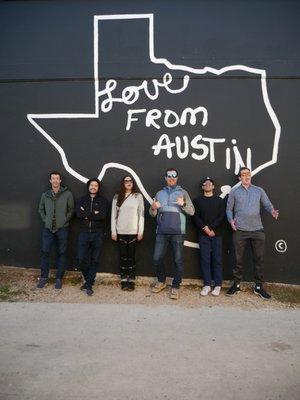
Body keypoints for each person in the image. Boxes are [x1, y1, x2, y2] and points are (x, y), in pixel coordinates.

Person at [226, 167, 279, 299]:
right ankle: (236, 285)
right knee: (238, 260)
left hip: (257, 230)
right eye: (243, 175)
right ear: (239, 178)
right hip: (240, 231)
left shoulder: (259, 190)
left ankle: (259, 287)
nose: (246, 176)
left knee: (259, 260)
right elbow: (228, 209)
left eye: (248, 174)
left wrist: (272, 210)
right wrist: (231, 221)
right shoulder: (234, 192)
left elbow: (267, 204)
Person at [150, 168, 195, 300]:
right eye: (169, 176)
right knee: (157, 258)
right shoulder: (159, 193)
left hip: (178, 233)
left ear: (177, 178)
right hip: (161, 232)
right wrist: (153, 208)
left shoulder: (183, 192)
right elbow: (152, 214)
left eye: (174, 176)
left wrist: (184, 204)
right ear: (165, 178)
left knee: (178, 260)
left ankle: (175, 286)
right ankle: (161, 281)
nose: (171, 178)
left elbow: (191, 211)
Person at [37, 171, 74, 289]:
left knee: (62, 253)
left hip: (62, 228)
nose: (55, 181)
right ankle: (43, 277)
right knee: (45, 252)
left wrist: (64, 221)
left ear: (60, 180)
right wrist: (46, 220)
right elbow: (41, 209)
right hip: (48, 229)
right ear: (50, 181)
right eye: (53, 179)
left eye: (57, 178)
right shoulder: (45, 195)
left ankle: (59, 278)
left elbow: (71, 210)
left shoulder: (67, 194)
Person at [76, 178, 108, 296]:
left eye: (96, 185)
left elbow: (102, 215)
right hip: (84, 233)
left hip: (97, 233)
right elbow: (79, 214)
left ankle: (89, 284)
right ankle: (88, 279)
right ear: (88, 186)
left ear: (98, 188)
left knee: (95, 260)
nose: (93, 187)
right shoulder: (81, 200)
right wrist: (93, 213)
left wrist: (87, 214)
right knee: (80, 258)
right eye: (91, 185)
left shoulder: (103, 201)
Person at [111, 175, 144, 291]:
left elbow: (141, 215)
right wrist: (113, 231)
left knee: (131, 256)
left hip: (133, 232)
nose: (128, 182)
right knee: (123, 256)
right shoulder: (117, 196)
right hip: (121, 231)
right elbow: (113, 216)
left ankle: (132, 279)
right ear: (123, 183)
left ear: (133, 183)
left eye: (130, 181)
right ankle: (124, 279)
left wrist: (140, 231)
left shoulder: (138, 196)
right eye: (126, 181)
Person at [193, 177, 225, 296]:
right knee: (205, 260)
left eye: (210, 183)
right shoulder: (197, 201)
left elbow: (221, 217)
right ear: (202, 187)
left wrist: (211, 228)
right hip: (203, 235)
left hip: (217, 234)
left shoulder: (220, 200)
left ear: (213, 186)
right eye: (205, 184)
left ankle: (217, 285)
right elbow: (195, 217)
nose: (207, 185)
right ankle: (207, 285)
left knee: (217, 260)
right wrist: (205, 228)